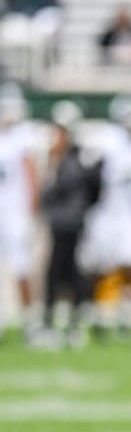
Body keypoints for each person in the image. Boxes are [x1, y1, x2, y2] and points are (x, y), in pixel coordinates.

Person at [77, 93, 131, 343]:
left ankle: (126, 314)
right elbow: (90, 175)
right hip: (106, 212)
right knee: (98, 265)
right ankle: (97, 312)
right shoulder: (107, 139)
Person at [40, 100, 100, 347]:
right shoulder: (66, 157)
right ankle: (64, 322)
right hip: (66, 221)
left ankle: (65, 322)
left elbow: (89, 189)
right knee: (64, 272)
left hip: (69, 222)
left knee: (62, 273)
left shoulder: (73, 159)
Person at [0, 83, 40, 344]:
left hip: (14, 213)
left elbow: (31, 175)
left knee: (21, 268)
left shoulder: (23, 136)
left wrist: (31, 211)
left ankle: (31, 324)